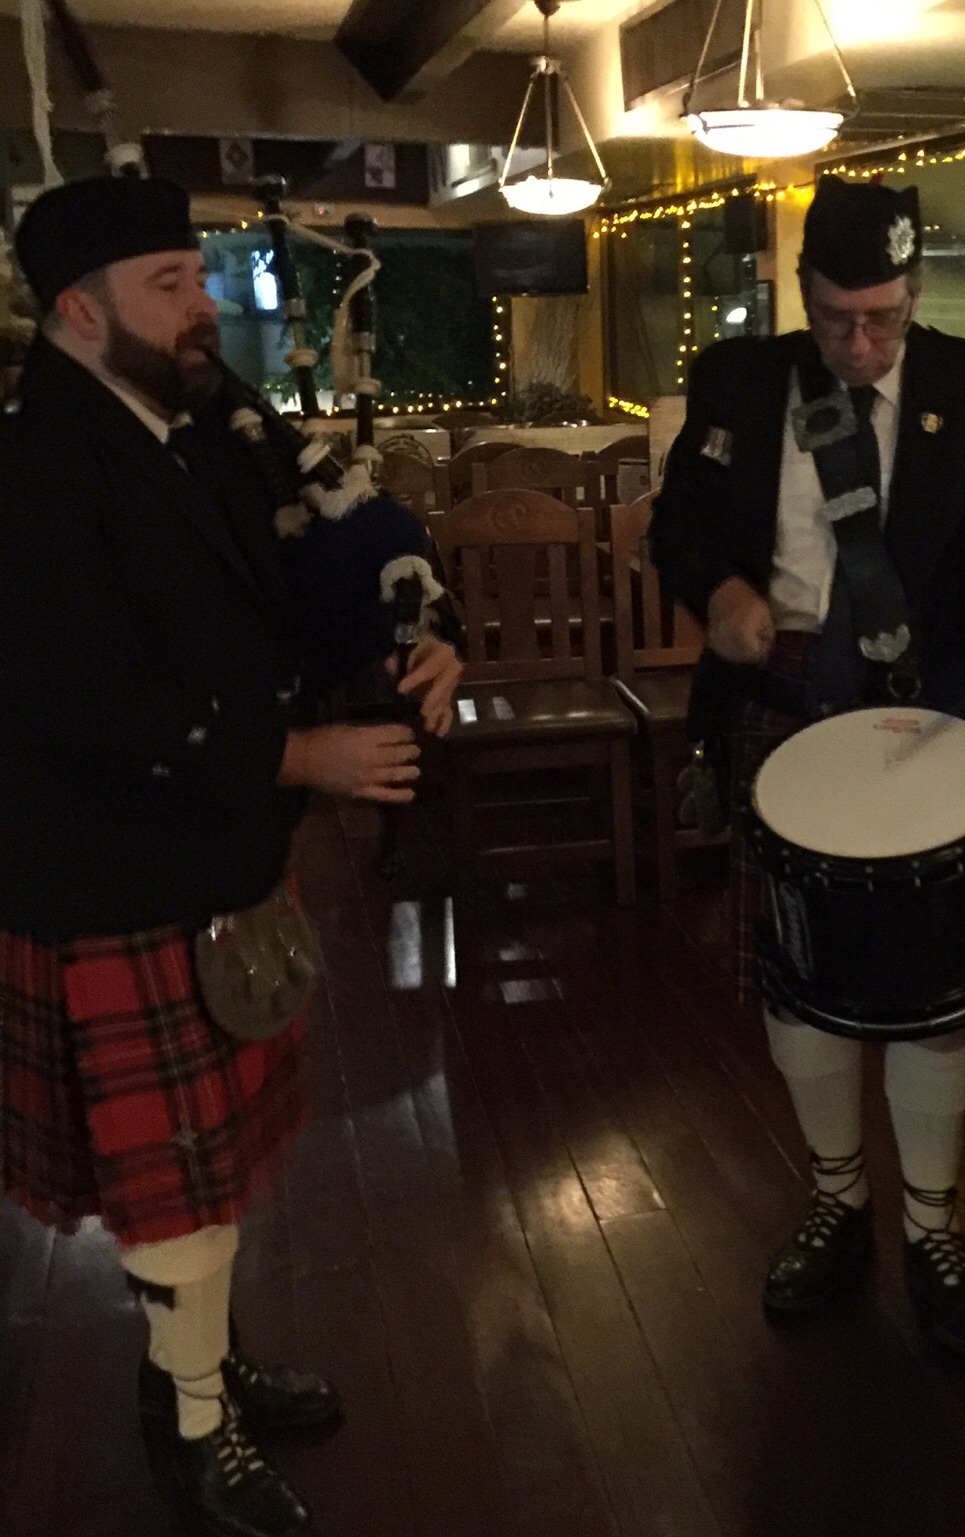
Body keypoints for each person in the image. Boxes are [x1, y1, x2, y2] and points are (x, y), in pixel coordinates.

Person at [0, 176, 462, 1537]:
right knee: (175, 1187)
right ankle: (194, 1430)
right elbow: (80, 700)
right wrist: (298, 761)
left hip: (217, 859)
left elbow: (328, 559)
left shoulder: (206, 422)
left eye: (198, 278)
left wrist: (403, 637)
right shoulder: (29, 464)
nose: (206, 306)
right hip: (112, 874)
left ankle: (194, 1359)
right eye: (172, 286)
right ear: (80, 312)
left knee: (208, 1164)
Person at [651, 173, 965, 1361]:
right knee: (800, 974)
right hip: (782, 704)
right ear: (801, 295)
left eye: (883, 317)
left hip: (926, 719)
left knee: (936, 991)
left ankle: (932, 1224)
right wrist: (719, 593)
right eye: (836, 320)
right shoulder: (734, 381)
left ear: (916, 293)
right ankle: (837, 1197)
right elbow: (677, 528)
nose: (862, 344)